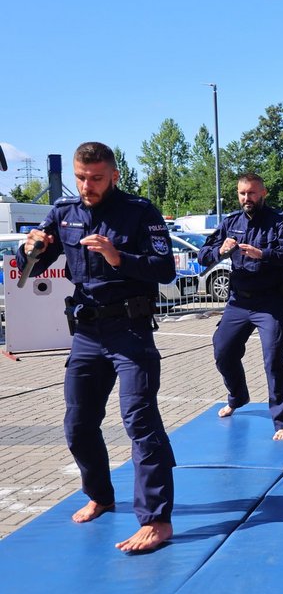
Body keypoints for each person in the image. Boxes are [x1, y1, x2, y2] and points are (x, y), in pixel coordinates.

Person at [18, 141, 177, 552]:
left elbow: (165, 269)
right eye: (81, 178)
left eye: (97, 179)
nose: (88, 186)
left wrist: (118, 256)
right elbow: (34, 258)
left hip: (130, 331)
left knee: (139, 420)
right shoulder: (64, 213)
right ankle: (101, 496)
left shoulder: (140, 212)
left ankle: (156, 519)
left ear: (114, 176)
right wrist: (30, 248)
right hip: (87, 334)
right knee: (77, 424)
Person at [198, 173, 283, 441]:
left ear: (263, 193)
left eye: (252, 193)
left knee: (273, 356)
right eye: (242, 193)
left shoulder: (279, 221)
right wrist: (220, 252)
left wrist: (265, 254)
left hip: (270, 302)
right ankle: (237, 395)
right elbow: (203, 256)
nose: (246, 198)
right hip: (239, 301)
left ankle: (282, 421)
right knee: (223, 351)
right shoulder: (230, 223)